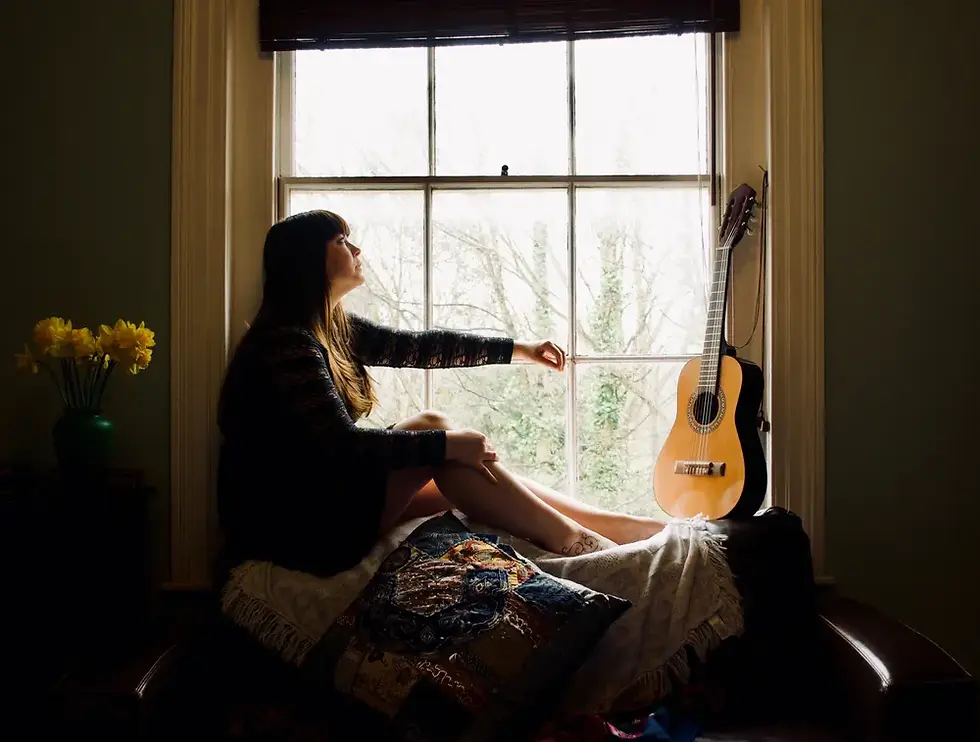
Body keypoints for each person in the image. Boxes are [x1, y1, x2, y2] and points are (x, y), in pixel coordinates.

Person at [216, 209, 664, 580]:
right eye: (341, 241)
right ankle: (574, 542)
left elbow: (426, 347)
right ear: (308, 260)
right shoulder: (286, 343)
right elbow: (342, 445)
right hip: (296, 526)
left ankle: (617, 529)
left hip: (321, 500)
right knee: (433, 428)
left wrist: (521, 350)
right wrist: (446, 441)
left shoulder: (329, 330)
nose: (356, 250)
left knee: (462, 476)